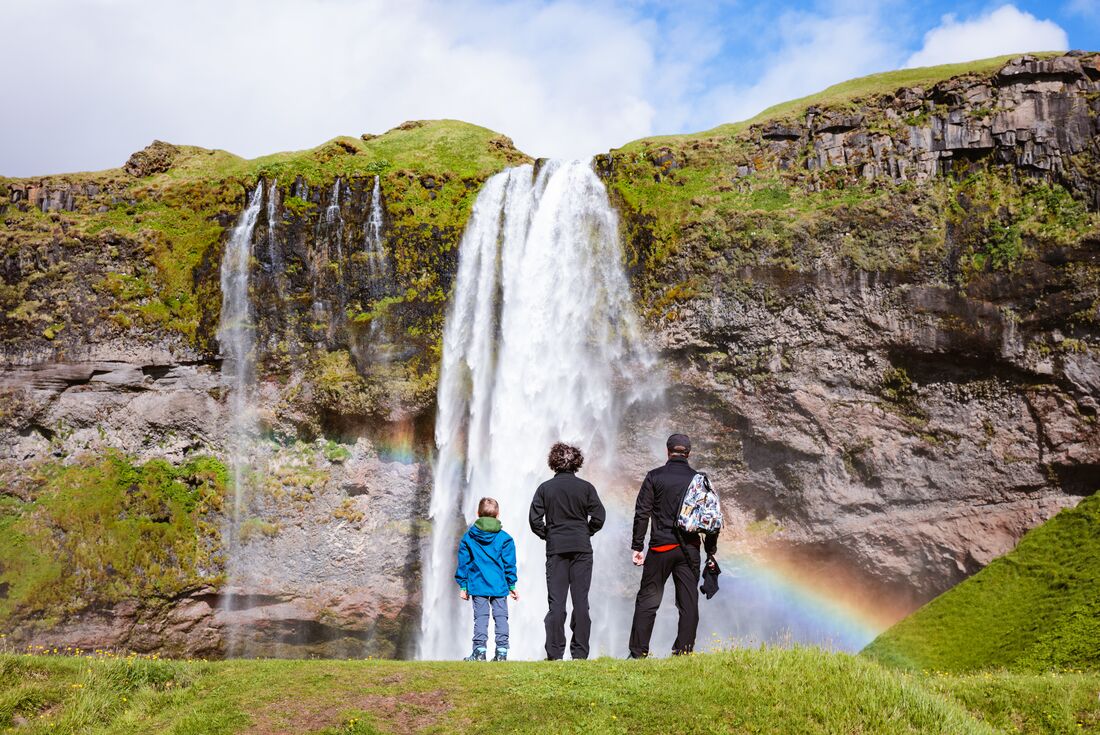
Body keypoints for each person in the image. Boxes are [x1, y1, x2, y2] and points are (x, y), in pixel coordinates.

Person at [628, 433, 719, 658]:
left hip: (660, 548)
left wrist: (637, 545)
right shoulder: (699, 480)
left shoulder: (654, 477)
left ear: (667, 451)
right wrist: (710, 551)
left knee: (648, 600)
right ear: (689, 453)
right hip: (689, 549)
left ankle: (638, 652)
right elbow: (712, 518)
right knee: (688, 602)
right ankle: (684, 651)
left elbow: (642, 513)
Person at [529, 442, 606, 660]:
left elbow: (534, 520)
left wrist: (548, 534)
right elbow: (599, 516)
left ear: (553, 462)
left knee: (557, 603)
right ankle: (580, 653)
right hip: (582, 548)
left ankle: (554, 653)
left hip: (556, 549)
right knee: (581, 602)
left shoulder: (545, 489)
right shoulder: (586, 488)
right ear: (577, 463)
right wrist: (587, 531)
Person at [455, 497, 519, 661]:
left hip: (478, 584)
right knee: (501, 617)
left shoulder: (468, 537)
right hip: (499, 586)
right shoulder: (505, 538)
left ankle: (479, 651)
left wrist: (463, 586)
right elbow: (509, 564)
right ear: (498, 514)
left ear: (477, 513)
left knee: (481, 618)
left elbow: (464, 563)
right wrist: (511, 585)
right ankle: (502, 651)